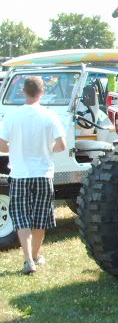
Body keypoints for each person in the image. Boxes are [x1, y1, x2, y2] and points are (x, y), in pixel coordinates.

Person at [0, 76, 66, 274]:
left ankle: (28, 260)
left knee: (21, 218)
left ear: (23, 92)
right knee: (40, 218)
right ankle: (36, 256)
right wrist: (45, 149)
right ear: (42, 92)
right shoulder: (49, 115)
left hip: (20, 173)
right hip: (43, 173)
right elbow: (61, 145)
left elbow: (2, 145)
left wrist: (17, 148)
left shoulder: (12, 116)